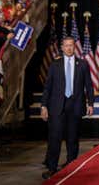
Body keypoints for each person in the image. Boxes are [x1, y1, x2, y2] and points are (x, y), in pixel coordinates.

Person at [40, 36, 94, 179]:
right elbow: (48, 87)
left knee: (73, 138)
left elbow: (88, 85)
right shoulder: (54, 64)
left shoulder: (82, 64)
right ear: (62, 48)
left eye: (71, 45)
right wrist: (44, 105)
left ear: (74, 47)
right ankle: (52, 168)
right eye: (66, 46)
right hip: (57, 107)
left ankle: (71, 167)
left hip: (75, 106)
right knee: (54, 138)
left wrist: (90, 103)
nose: (69, 48)